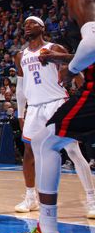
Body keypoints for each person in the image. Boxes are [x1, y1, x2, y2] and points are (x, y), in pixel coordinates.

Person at [7, 0, 95, 233]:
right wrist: (66, 61)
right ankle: (46, 227)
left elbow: (92, 44)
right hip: (36, 107)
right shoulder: (22, 55)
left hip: (69, 96)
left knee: (49, 146)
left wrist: (70, 70)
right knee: (45, 145)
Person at [12, 16, 95, 218]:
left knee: (73, 151)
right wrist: (20, 113)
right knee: (29, 153)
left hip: (56, 103)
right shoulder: (20, 56)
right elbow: (20, 87)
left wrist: (80, 96)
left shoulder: (54, 47)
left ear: (42, 27)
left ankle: (92, 199)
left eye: (31, 23)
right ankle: (31, 198)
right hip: (34, 108)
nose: (27, 26)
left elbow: (77, 71)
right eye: (25, 25)